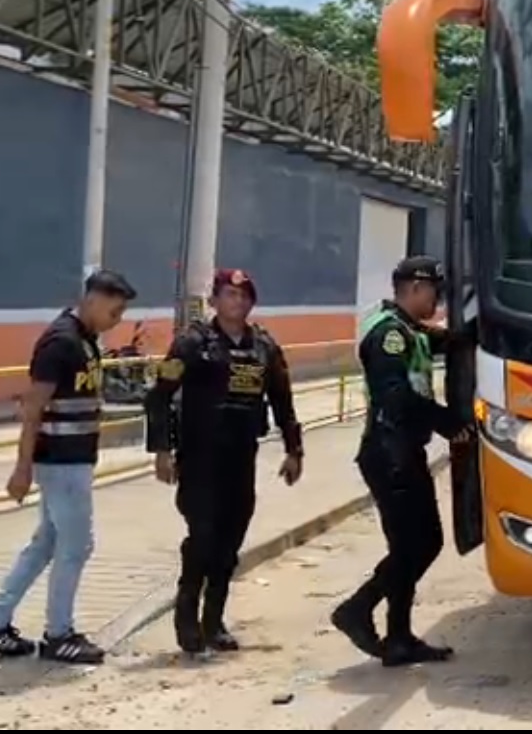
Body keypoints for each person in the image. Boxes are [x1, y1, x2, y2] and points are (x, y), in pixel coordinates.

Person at [0, 269, 137, 665]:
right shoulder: (61, 343)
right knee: (76, 546)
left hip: (74, 459)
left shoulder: (86, 341)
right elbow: (33, 408)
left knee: (45, 544)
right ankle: (59, 634)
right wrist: (21, 467)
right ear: (92, 300)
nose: (118, 320)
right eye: (114, 311)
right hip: (61, 461)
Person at [144, 268, 304, 654]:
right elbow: (159, 396)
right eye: (230, 294)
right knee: (202, 536)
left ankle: (213, 622)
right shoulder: (191, 344)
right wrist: (162, 451)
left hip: (241, 457)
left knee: (230, 543)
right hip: (200, 458)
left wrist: (294, 450)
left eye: (245, 295)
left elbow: (283, 399)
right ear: (215, 301)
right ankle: (186, 616)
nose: (238, 301)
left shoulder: (264, 346)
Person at [330, 256, 472, 667]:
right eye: (434, 293)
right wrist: (447, 422)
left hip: (404, 450)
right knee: (418, 544)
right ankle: (358, 609)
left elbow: (442, 340)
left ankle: (397, 638)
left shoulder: (409, 330)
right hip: (389, 453)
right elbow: (396, 395)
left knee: (414, 545)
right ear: (414, 288)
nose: (436, 302)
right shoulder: (389, 335)